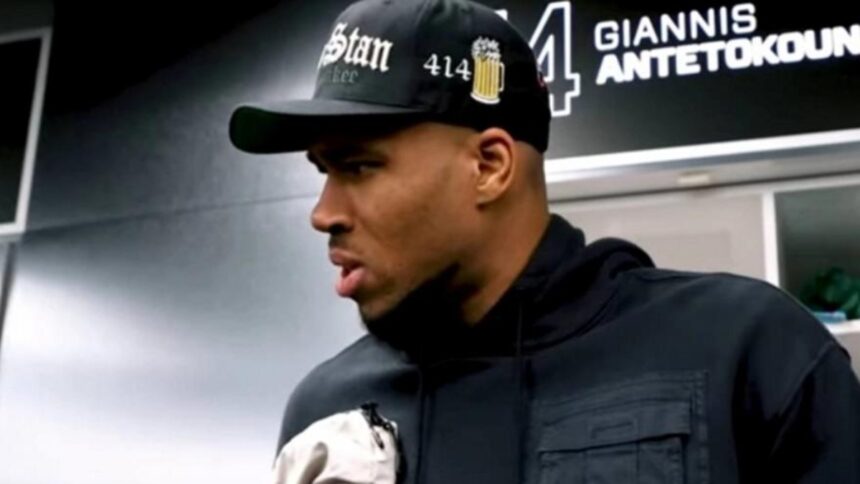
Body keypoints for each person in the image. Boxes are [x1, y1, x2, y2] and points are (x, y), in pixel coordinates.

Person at [229, 0, 860, 482]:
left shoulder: (745, 349)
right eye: (323, 172)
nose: (323, 214)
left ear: (489, 166)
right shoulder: (326, 409)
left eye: (359, 167)